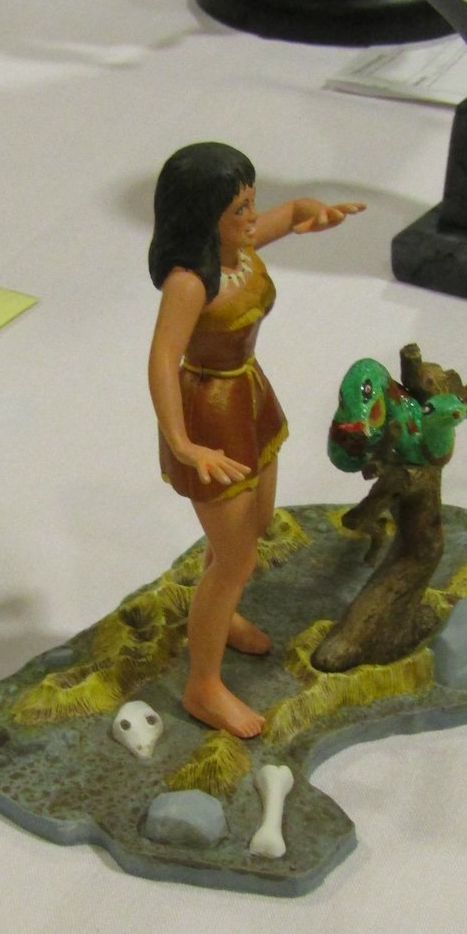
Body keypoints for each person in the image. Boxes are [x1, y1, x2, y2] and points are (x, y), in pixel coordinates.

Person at [147, 143, 363, 739]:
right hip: (209, 413)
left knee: (254, 526)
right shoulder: (189, 282)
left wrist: (311, 211)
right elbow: (162, 360)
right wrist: (182, 442)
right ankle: (203, 684)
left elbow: (288, 215)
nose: (252, 216)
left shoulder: (238, 249)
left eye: (251, 202)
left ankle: (219, 608)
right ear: (205, 215)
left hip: (248, 396)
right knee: (237, 554)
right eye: (239, 207)